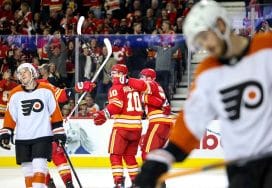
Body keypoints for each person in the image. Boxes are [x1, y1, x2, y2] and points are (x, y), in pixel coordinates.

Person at [135, 0, 272, 188]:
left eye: (205, 37)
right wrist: (163, 158)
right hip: (242, 170)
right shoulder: (208, 72)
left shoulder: (267, 47)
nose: (206, 46)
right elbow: (191, 122)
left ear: (221, 25)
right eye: (200, 42)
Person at [0, 63, 66, 188]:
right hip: (22, 139)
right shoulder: (14, 94)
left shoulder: (46, 90)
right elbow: (10, 117)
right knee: (28, 173)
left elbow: (55, 113)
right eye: (19, 73)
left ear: (33, 73)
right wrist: (6, 133)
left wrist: (59, 133)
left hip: (42, 137)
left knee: (39, 168)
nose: (22, 74)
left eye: (25, 71)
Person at [93, 64, 143, 188]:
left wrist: (103, 114)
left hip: (122, 127)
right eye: (112, 73)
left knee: (115, 155)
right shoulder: (134, 87)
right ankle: (137, 183)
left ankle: (118, 182)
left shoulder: (116, 87)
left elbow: (116, 106)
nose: (112, 75)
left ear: (122, 74)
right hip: (136, 127)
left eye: (115, 73)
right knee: (130, 156)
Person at [127, 68, 173, 160]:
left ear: (149, 78)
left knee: (147, 154)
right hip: (163, 123)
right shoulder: (156, 87)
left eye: (142, 76)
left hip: (158, 122)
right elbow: (161, 102)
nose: (140, 78)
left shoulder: (151, 84)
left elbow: (157, 102)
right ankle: (157, 173)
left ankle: (148, 174)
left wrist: (127, 80)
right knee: (156, 155)